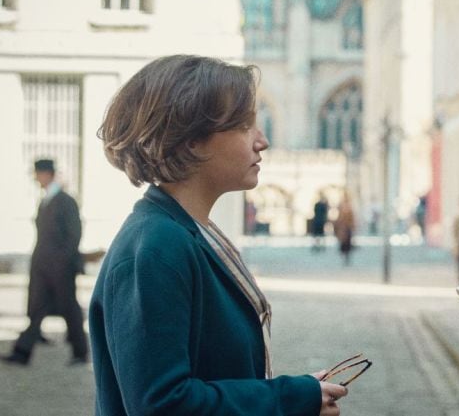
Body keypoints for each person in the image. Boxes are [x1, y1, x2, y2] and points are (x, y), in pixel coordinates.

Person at [90, 55, 347, 415]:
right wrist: (288, 399)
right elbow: (162, 406)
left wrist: (298, 392)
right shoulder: (156, 246)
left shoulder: (189, 232)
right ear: (192, 140)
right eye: (245, 126)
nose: (262, 141)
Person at [0, 158, 88, 366]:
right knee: (37, 308)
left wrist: (62, 261)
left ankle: (80, 352)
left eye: (38, 174)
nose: (36, 178)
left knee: (69, 308)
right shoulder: (46, 199)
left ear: (47, 174)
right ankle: (22, 352)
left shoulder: (65, 200)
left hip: (60, 267)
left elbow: (74, 234)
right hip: (42, 265)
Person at [333, 192, 355, 265]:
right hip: (343, 227)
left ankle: (347, 257)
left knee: (347, 242)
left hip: (347, 227)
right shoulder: (341, 206)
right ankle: (344, 256)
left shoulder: (349, 206)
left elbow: (352, 218)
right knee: (343, 242)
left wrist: (353, 225)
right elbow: (339, 217)